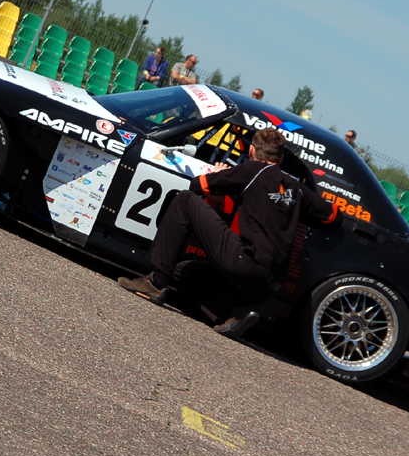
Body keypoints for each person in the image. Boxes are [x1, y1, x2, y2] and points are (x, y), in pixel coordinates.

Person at [118, 128, 338, 337]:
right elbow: (334, 216)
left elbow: (198, 186)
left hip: (247, 264)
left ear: (251, 150)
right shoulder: (296, 187)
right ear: (280, 159)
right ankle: (232, 313)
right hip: (271, 283)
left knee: (185, 200)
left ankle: (155, 283)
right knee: (181, 271)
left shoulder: (253, 170)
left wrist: (218, 174)